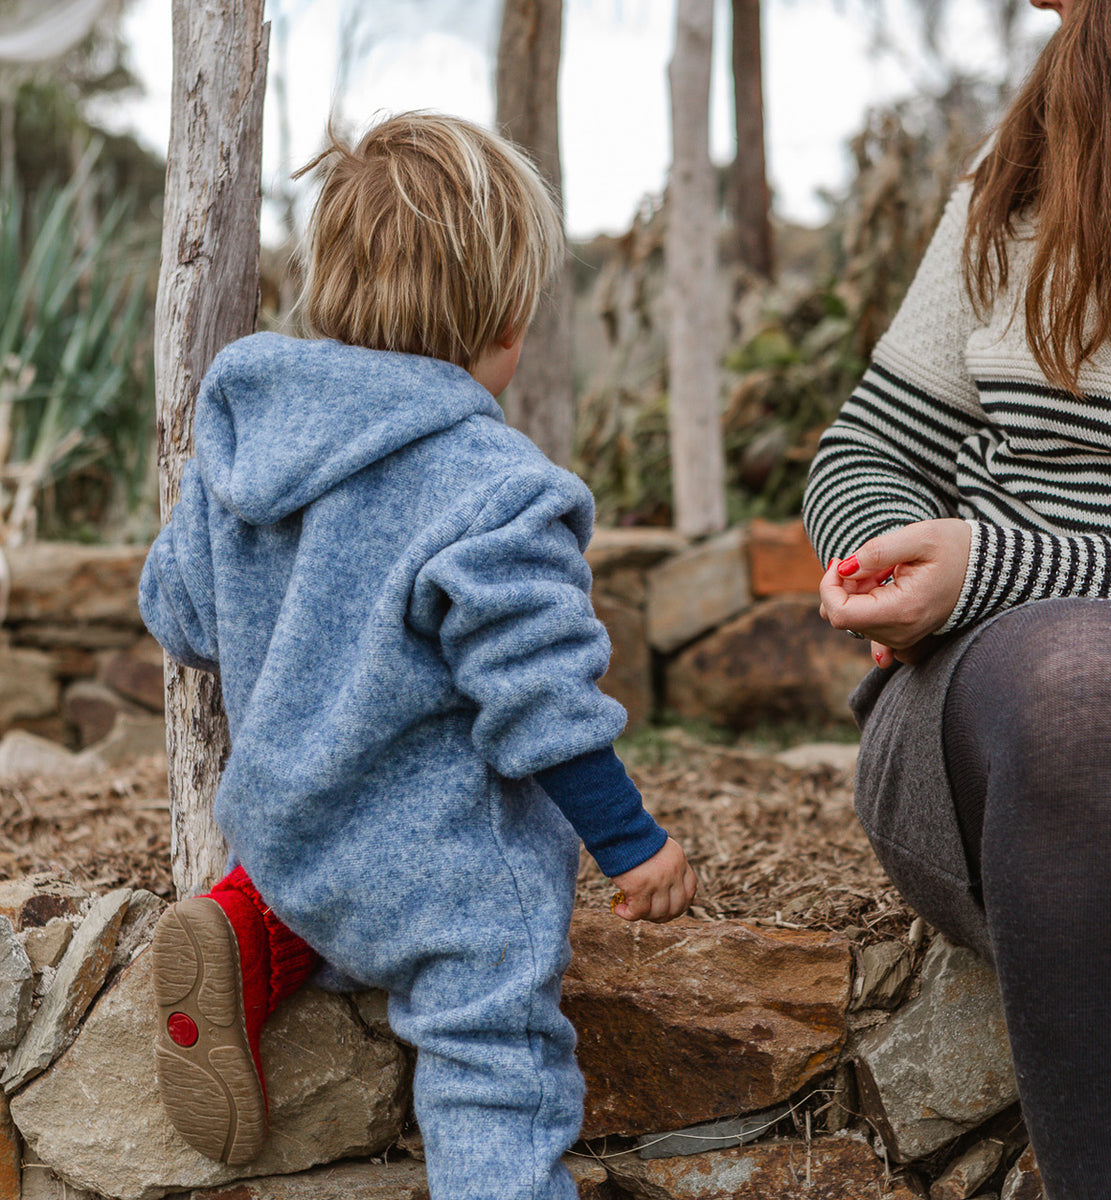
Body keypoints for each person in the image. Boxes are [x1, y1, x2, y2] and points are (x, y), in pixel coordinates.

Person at [139, 111, 696, 1199]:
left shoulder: (249, 438)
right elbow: (540, 703)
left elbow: (179, 615)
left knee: (330, 907)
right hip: (447, 884)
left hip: (292, 845)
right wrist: (633, 845)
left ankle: (260, 933)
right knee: (497, 1065)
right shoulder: (498, 488)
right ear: (508, 318)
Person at [802, 1, 1111, 1196]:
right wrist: (883, 558)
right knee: (1091, 682)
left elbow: (1009, 563)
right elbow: (866, 448)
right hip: (1015, 747)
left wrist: (1005, 565)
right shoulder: (1027, 170)